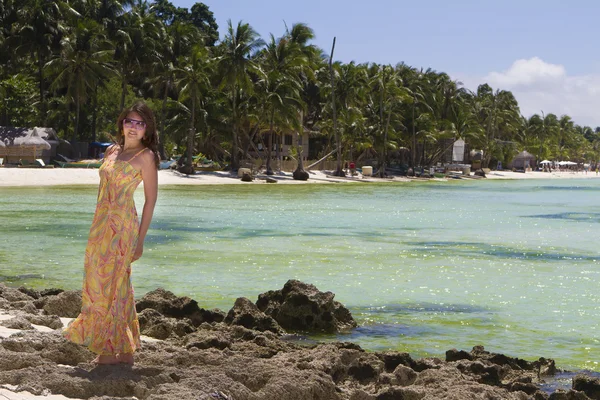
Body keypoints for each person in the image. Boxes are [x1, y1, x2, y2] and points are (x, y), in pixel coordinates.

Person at [63, 101, 159, 365]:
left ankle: (109, 350)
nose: (133, 127)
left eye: (140, 123)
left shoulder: (146, 157)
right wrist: (97, 226)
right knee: (98, 283)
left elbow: (150, 200)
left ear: (146, 129)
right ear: (122, 123)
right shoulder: (111, 151)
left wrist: (140, 241)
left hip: (124, 227)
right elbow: (101, 191)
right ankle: (123, 350)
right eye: (130, 121)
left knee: (115, 284)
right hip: (101, 226)